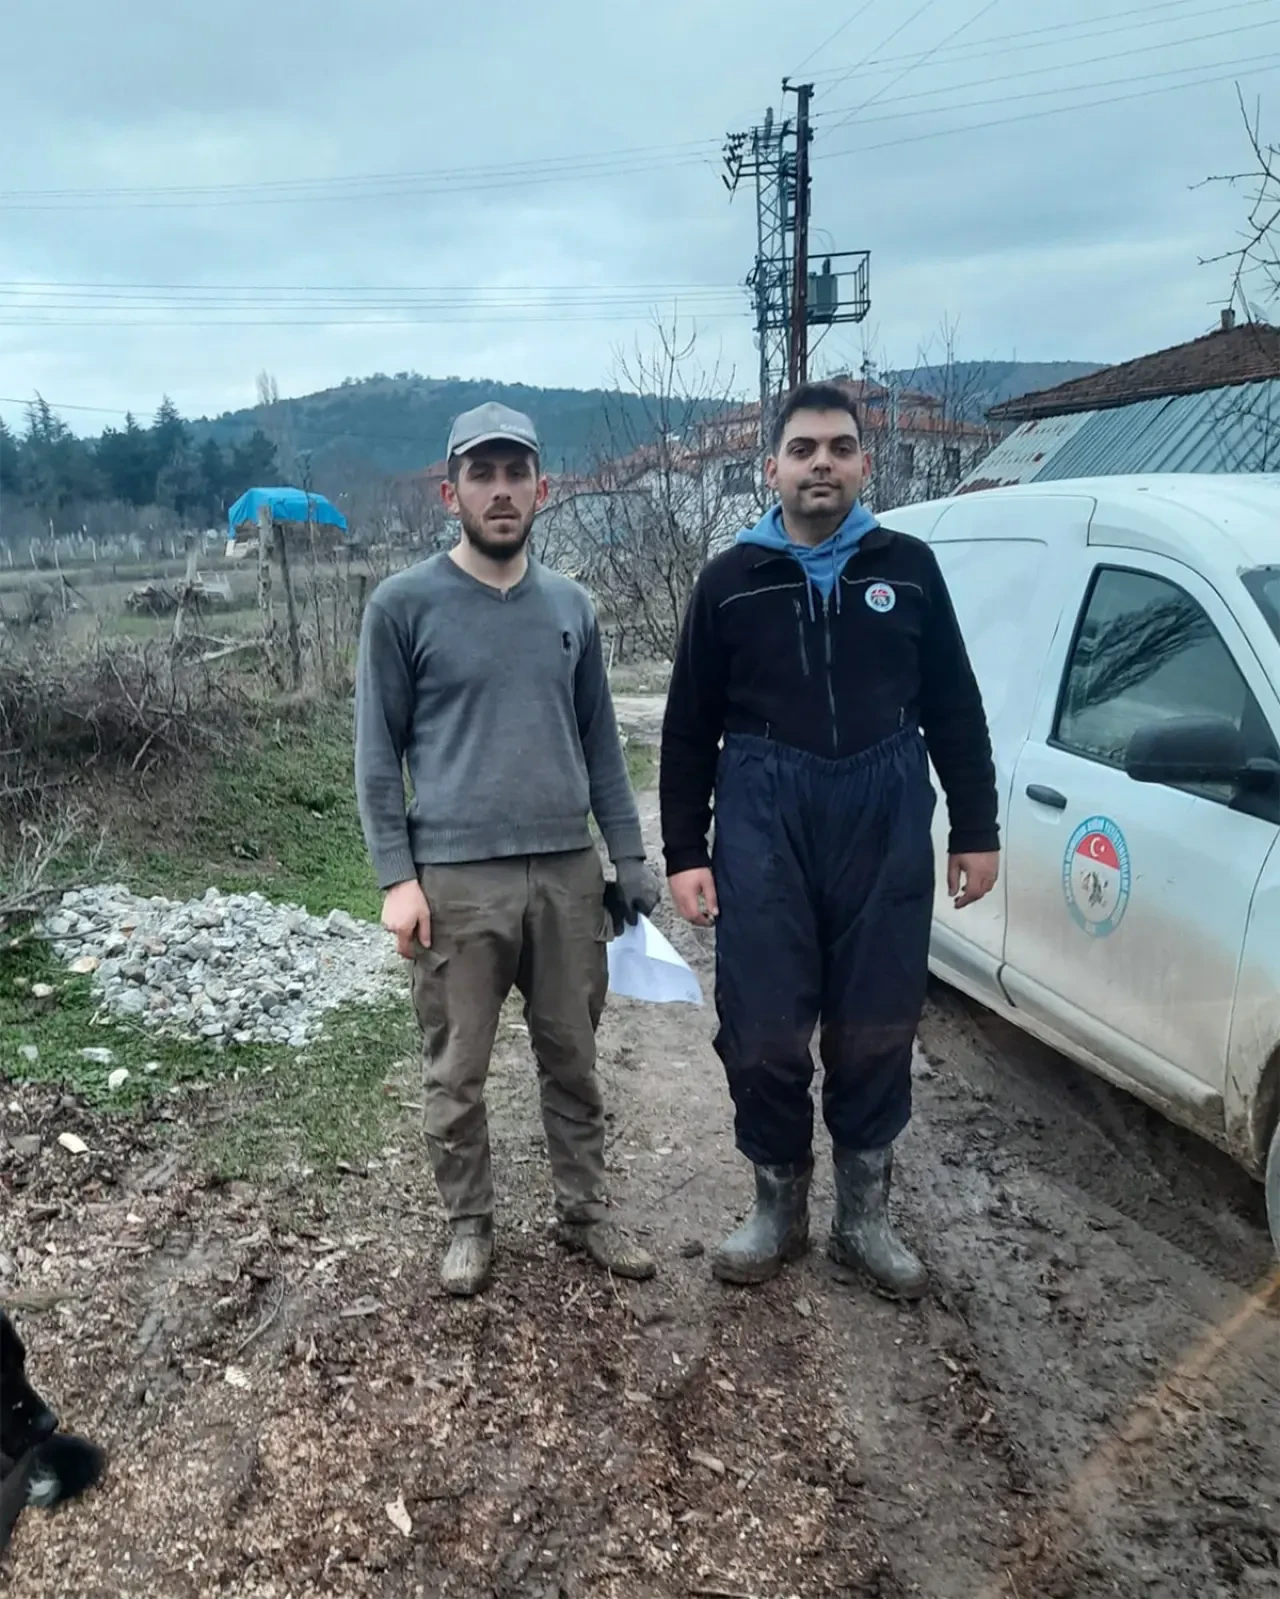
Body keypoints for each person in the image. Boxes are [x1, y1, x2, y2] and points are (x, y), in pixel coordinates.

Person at [660, 381, 999, 1300]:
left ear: (863, 463)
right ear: (770, 467)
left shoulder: (912, 568)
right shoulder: (730, 582)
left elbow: (956, 707)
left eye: (839, 448)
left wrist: (976, 827)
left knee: (876, 1019)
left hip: (884, 812)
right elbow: (689, 728)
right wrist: (685, 850)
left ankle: (863, 1217)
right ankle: (777, 1207)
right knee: (765, 1022)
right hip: (766, 815)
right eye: (803, 448)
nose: (822, 463)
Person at [355, 400, 658, 1297]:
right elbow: (377, 754)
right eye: (480, 475)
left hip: (567, 873)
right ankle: (468, 1224)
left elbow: (602, 743)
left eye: (514, 473)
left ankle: (585, 1213)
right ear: (450, 491)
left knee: (573, 1052)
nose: (499, 491)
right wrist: (396, 879)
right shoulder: (401, 606)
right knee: (458, 1067)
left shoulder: (572, 606)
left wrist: (628, 857)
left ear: (542, 489)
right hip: (456, 882)